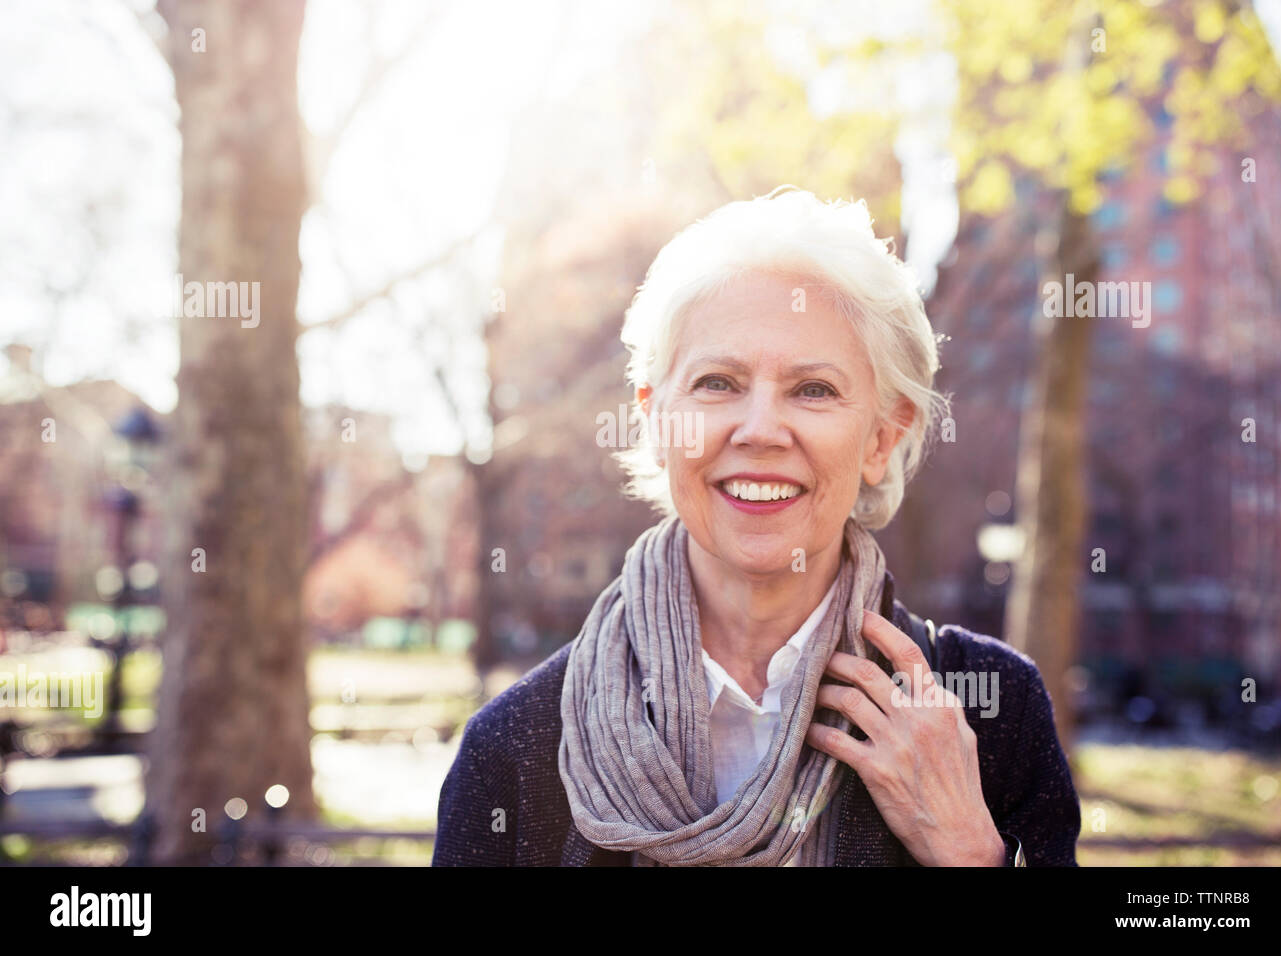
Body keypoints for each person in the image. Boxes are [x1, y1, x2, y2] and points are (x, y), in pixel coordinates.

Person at [433, 186, 1081, 866]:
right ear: (656, 419)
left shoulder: (992, 715)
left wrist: (972, 854)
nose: (762, 430)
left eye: (814, 390)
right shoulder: (512, 749)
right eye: (718, 382)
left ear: (882, 438)